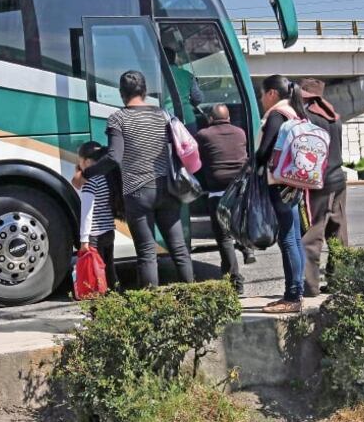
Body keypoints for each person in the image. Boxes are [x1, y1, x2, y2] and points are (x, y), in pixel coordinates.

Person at [75, 70, 194, 288]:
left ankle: (149, 308)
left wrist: (85, 174)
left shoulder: (118, 119)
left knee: (147, 253)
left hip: (138, 193)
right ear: (145, 90)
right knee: (178, 248)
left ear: (122, 93)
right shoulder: (162, 114)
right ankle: (194, 299)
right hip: (167, 188)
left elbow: (113, 157)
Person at [256, 74, 310, 313]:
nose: (260, 99)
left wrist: (253, 163)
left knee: (287, 239)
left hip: (280, 183)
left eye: (261, 94)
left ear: (271, 94)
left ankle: (292, 297)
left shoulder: (277, 115)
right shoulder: (297, 113)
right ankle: (295, 292)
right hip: (295, 182)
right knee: (295, 238)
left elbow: (264, 150)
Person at [297, 78, 349, 296]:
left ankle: (310, 286)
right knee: (338, 232)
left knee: (312, 234)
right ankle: (340, 280)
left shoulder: (309, 118)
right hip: (338, 179)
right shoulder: (333, 116)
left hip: (320, 183)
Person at [194, 103, 249, 292]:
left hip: (217, 194)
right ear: (229, 118)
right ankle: (245, 247)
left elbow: (197, 162)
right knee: (237, 227)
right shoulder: (240, 132)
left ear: (210, 118)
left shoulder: (204, 135)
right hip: (240, 191)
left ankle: (235, 282)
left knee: (224, 238)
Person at [76, 141, 125, 291]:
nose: (79, 167)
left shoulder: (91, 182)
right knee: (109, 265)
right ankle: (115, 291)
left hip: (94, 235)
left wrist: (84, 239)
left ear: (87, 161)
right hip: (109, 231)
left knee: (97, 269)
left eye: (80, 163)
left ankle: (99, 295)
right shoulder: (108, 179)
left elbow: (87, 213)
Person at [164, 46, 203, 127]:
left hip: (167, 120)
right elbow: (198, 98)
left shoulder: (157, 77)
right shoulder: (188, 75)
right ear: (174, 58)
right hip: (188, 119)